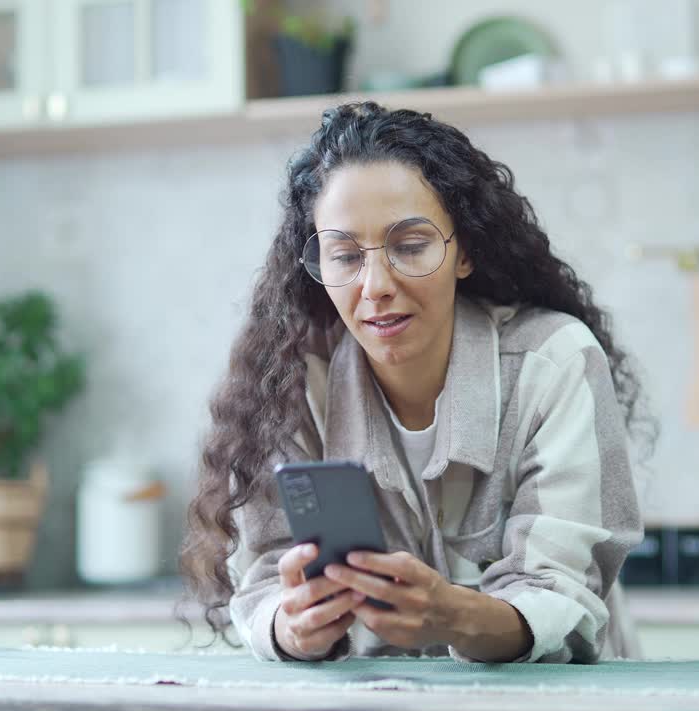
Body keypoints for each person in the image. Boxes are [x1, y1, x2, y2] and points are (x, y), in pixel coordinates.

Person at [181, 101, 651, 664]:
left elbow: (564, 593)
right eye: (345, 255)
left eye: (409, 246)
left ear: (464, 250)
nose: (375, 285)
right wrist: (292, 627)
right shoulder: (291, 381)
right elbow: (263, 583)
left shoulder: (552, 361)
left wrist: (453, 614)